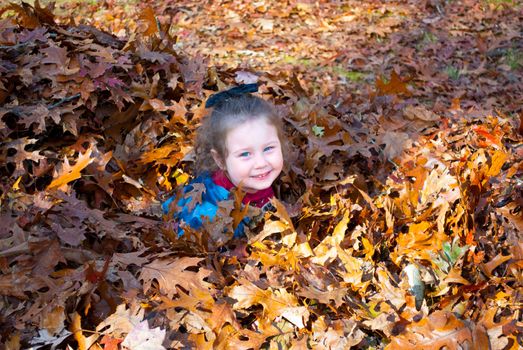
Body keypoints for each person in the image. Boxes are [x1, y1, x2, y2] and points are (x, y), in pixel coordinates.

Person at [162, 83, 285, 238]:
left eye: (268, 149)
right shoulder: (211, 214)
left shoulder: (254, 178)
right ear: (220, 160)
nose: (261, 163)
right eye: (245, 154)